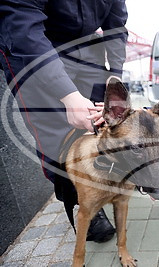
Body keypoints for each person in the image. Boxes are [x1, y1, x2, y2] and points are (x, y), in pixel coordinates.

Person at [0, 1, 128, 242]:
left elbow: (115, 27)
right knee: (57, 140)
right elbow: (22, 28)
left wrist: (115, 78)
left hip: (86, 47)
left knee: (98, 122)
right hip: (34, 48)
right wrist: (69, 96)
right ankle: (84, 205)